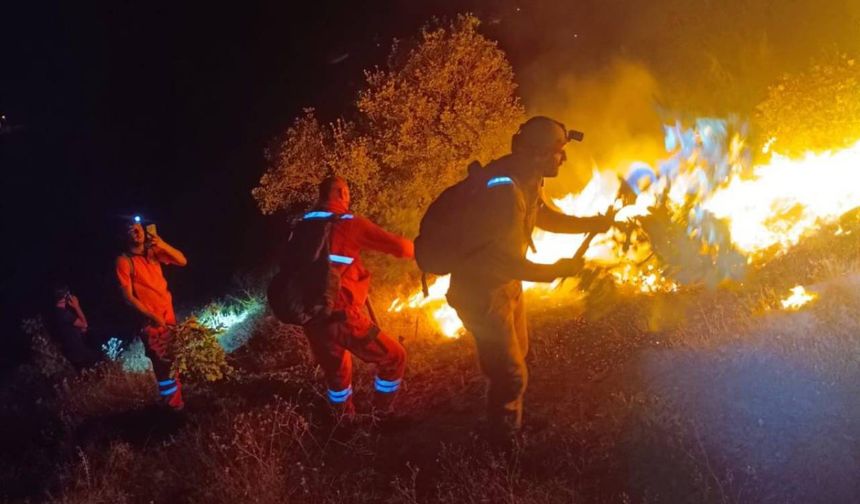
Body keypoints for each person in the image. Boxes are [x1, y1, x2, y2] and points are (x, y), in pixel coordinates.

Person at [446, 116, 615, 442]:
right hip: (481, 293)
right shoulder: (504, 194)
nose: (563, 158)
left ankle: (511, 419)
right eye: (558, 151)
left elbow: (544, 217)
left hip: (503, 285)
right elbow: (506, 261)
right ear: (537, 153)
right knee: (510, 374)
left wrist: (590, 224)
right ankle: (503, 447)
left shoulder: (528, 178)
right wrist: (554, 271)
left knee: (516, 355)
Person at [303, 176, 413, 421]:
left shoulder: (301, 228)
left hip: (311, 318)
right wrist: (426, 251)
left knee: (337, 375)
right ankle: (382, 415)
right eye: (348, 193)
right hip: (343, 317)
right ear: (341, 193)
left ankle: (344, 422)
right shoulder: (349, 224)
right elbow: (402, 249)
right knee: (394, 357)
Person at [115, 218, 188, 410]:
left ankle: (176, 401)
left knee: (173, 358)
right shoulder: (124, 261)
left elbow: (182, 260)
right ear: (125, 236)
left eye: (137, 227)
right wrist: (152, 316)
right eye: (131, 229)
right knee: (163, 363)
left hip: (168, 314)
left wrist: (161, 243)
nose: (136, 231)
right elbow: (128, 297)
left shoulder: (153, 251)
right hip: (151, 323)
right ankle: (173, 407)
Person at [48, 284, 101, 370]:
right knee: (100, 361)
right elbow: (84, 324)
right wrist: (77, 306)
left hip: (70, 352)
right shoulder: (64, 314)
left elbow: (72, 328)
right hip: (78, 352)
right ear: (66, 296)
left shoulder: (56, 312)